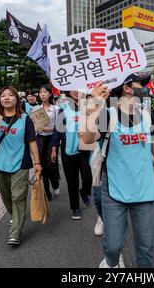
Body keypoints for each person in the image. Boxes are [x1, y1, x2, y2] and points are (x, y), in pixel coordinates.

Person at [82, 74, 154, 268]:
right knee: (113, 246)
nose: (146, 88)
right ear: (128, 88)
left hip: (144, 188)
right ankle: (111, 262)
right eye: (141, 83)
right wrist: (94, 107)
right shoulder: (107, 115)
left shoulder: (149, 115)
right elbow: (88, 139)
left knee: (146, 248)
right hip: (114, 187)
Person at [0, 86, 42, 246]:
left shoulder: (25, 118)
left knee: (18, 197)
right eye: (3, 95)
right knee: (6, 196)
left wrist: (37, 162)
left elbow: (32, 141)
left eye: (10, 95)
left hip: (20, 164)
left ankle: (15, 232)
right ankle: (16, 215)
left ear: (16, 99)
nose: (6, 98)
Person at [51, 91, 92, 220]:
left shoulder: (89, 105)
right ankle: (75, 207)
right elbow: (57, 129)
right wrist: (54, 147)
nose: (76, 91)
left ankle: (85, 191)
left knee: (88, 177)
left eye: (79, 88)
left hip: (85, 148)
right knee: (71, 179)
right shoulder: (64, 107)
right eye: (73, 88)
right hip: (68, 149)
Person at [32, 85, 60, 201]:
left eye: (45, 92)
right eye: (40, 92)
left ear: (50, 94)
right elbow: (32, 124)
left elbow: (59, 127)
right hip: (40, 139)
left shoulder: (56, 109)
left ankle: (55, 182)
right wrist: (36, 128)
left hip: (52, 139)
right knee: (42, 165)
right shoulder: (35, 109)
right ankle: (46, 192)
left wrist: (51, 129)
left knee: (51, 165)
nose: (42, 94)